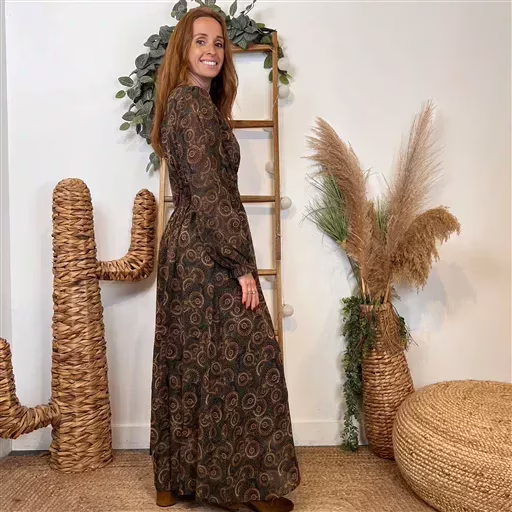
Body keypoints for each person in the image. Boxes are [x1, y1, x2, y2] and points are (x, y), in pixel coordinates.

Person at [150, 7, 300, 512]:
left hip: (189, 246)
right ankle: (244, 487)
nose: (211, 50)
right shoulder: (190, 106)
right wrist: (240, 265)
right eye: (201, 41)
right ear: (184, 50)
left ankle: (175, 479)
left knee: (191, 359)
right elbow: (211, 193)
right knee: (247, 356)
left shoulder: (186, 104)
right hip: (206, 251)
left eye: (218, 43)